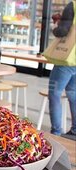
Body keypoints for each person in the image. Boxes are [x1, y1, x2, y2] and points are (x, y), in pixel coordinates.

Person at [48, 1, 76, 139]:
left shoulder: (73, 6)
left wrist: (55, 26)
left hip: (66, 60)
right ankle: (75, 131)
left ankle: (56, 133)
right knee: (73, 94)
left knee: (54, 94)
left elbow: (62, 31)